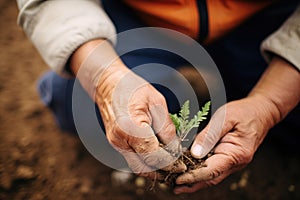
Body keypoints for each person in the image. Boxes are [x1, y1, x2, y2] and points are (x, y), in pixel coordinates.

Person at [17, 0, 300, 194]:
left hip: (271, 22)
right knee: (82, 105)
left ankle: (229, 81)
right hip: (142, 18)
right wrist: (105, 78)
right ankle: (197, 81)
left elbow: (275, 100)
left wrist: (270, 103)